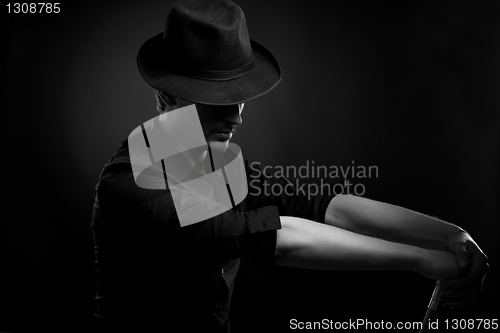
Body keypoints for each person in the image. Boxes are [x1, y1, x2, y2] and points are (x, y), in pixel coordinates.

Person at [90, 0, 489, 332]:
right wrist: (420, 259)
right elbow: (272, 237)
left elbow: (317, 205)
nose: (237, 118)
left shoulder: (214, 161)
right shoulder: (131, 185)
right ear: (168, 96)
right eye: (217, 100)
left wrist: (449, 235)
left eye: (239, 97)